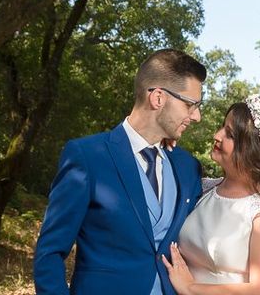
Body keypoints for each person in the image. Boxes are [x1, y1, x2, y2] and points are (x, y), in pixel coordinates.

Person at [34, 49, 207, 295]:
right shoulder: (87, 156)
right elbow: (49, 253)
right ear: (158, 98)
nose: (197, 116)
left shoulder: (186, 166)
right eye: (190, 105)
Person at [162, 94, 260, 295]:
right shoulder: (203, 189)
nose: (217, 135)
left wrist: (190, 288)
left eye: (229, 134)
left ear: (254, 151)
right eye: (223, 126)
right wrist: (163, 142)